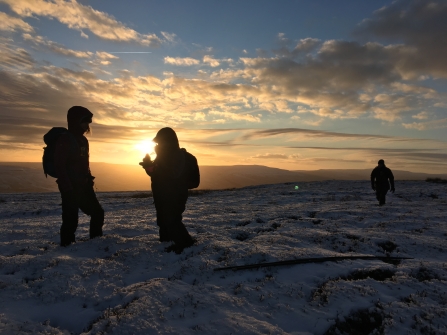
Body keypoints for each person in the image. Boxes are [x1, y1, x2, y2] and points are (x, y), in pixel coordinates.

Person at [140, 127, 200, 254]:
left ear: (166, 141)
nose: (157, 145)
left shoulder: (174, 156)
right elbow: (156, 174)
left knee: (171, 220)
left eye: (159, 142)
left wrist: (153, 167)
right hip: (163, 194)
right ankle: (167, 244)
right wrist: (148, 166)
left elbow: (170, 175)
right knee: (164, 221)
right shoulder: (165, 156)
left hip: (172, 195)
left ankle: (185, 244)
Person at [54, 106, 104, 246]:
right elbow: (60, 165)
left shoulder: (83, 140)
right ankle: (67, 247)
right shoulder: (65, 139)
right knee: (70, 219)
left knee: (97, 213)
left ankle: (95, 242)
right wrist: (67, 187)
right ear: (76, 121)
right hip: (70, 187)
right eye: (85, 121)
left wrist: (88, 178)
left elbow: (84, 163)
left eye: (88, 122)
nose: (87, 125)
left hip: (84, 185)